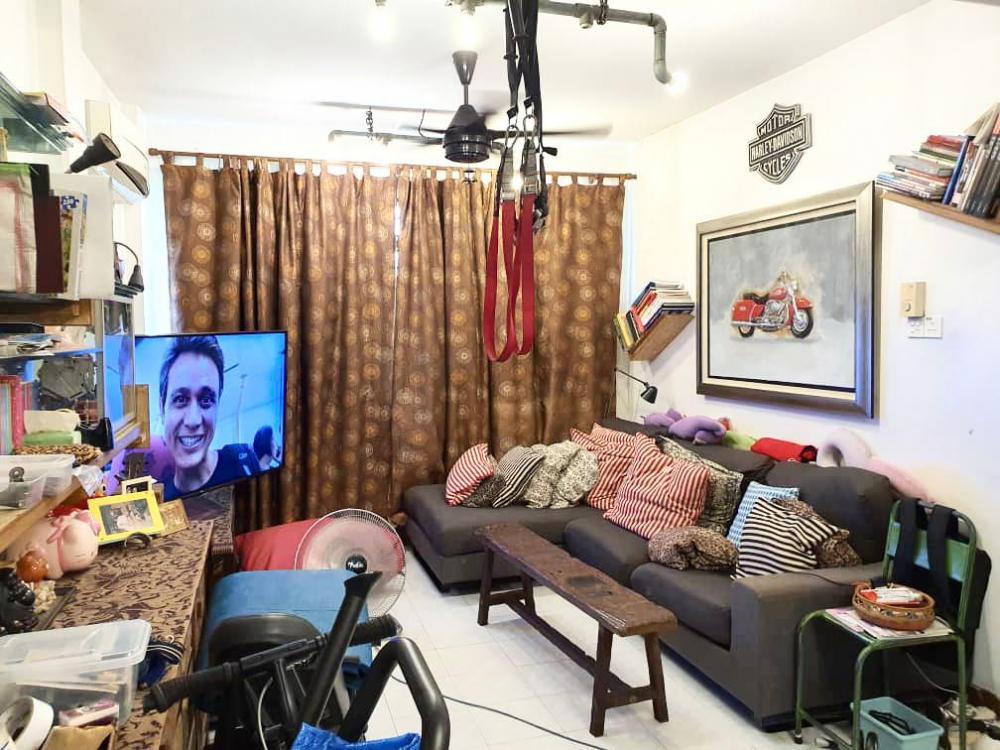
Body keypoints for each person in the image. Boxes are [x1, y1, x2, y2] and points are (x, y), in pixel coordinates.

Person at [158, 335, 258, 499]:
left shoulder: (244, 461)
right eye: (180, 399)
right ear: (162, 408)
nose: (193, 420)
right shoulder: (160, 498)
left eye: (206, 400)